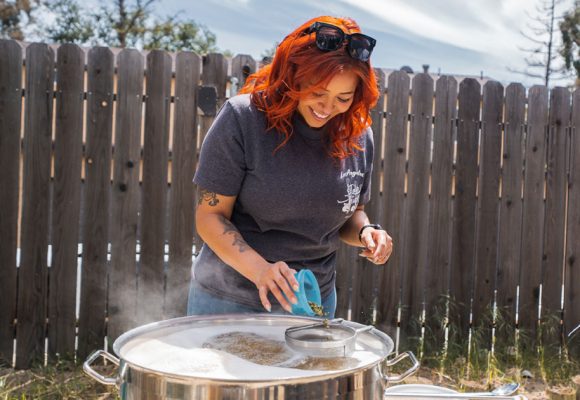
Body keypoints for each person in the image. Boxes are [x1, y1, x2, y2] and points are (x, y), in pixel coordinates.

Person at [188, 15, 393, 319]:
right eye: (317, 92)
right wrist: (260, 271)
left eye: (343, 98)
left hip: (314, 302)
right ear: (292, 75)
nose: (327, 108)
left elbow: (351, 214)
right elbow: (210, 217)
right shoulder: (243, 119)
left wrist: (366, 231)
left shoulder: (359, 135)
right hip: (229, 300)